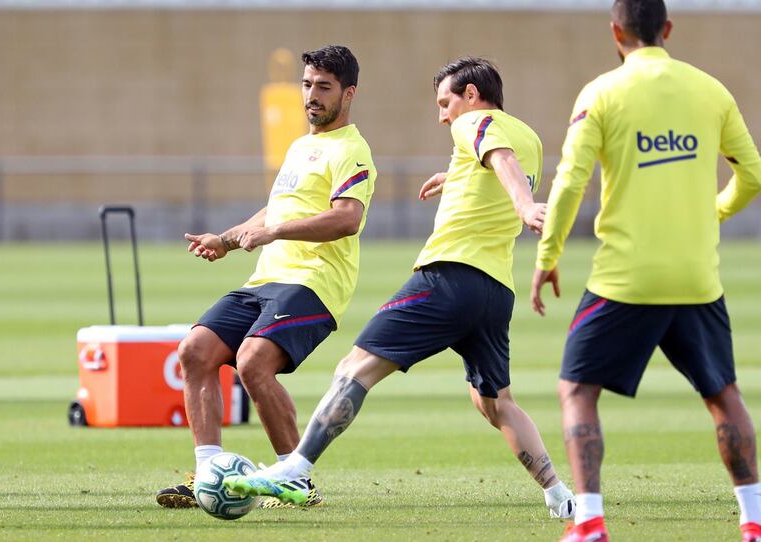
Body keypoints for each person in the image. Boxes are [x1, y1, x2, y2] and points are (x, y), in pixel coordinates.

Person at [224, 56, 576, 519]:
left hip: (447, 277)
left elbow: (498, 158)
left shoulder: (477, 121)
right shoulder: (527, 134)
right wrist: (457, 177)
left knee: (356, 367)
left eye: (445, 102)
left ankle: (297, 467)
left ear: (470, 95)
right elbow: (497, 162)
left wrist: (525, 205)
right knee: (495, 402)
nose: (442, 115)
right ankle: (558, 495)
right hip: (495, 292)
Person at [530, 2, 761, 541]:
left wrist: (548, 256)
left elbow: (569, 182)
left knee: (578, 389)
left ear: (616, 32)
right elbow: (751, 173)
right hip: (697, 277)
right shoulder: (711, 90)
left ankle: (587, 521)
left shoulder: (602, 93)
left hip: (625, 279)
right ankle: (754, 521)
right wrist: (716, 209)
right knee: (723, 393)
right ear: (668, 29)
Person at [155, 44, 376, 510]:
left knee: (253, 361)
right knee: (194, 351)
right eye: (307, 85)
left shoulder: (352, 151)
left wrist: (275, 230)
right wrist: (227, 239)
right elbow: (276, 211)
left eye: (324, 87)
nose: (311, 96)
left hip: (314, 282)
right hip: (266, 279)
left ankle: (295, 477)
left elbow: (347, 218)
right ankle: (209, 472)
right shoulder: (300, 146)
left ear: (348, 93)